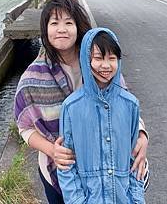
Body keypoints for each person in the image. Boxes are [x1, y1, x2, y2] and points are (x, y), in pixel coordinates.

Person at [14, 0, 149, 204]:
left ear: (78, 27)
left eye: (69, 22)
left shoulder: (100, 63)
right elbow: (24, 127)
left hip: (107, 168)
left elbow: (122, 104)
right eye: (54, 23)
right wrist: (52, 150)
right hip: (60, 170)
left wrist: (141, 135)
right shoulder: (33, 78)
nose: (61, 29)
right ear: (45, 30)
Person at [58, 27, 145, 203]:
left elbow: (136, 161)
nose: (106, 65)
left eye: (112, 58)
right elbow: (66, 165)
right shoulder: (71, 107)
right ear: (86, 60)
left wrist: (136, 199)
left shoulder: (131, 104)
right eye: (98, 58)